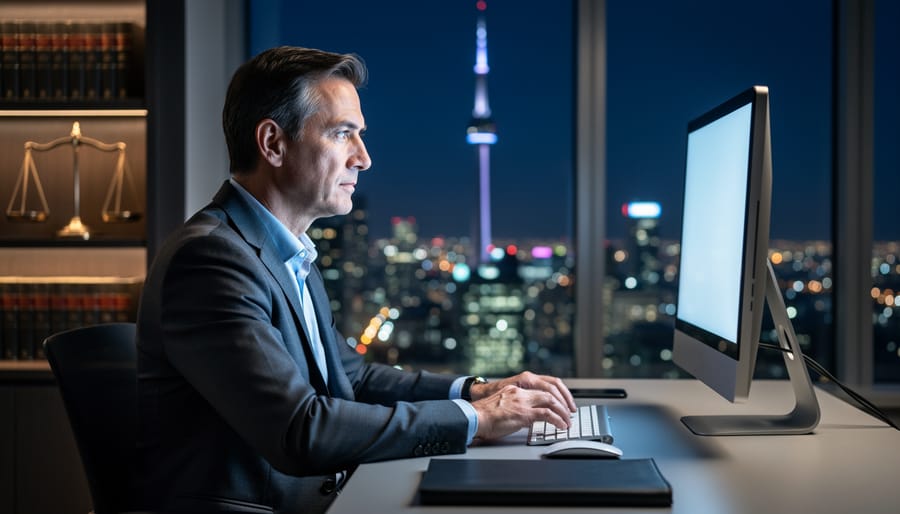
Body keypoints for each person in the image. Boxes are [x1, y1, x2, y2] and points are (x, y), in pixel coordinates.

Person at [134, 46, 576, 514]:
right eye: (343, 134)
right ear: (273, 143)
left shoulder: (285, 251)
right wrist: (478, 420)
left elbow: (352, 378)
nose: (363, 158)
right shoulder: (211, 259)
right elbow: (300, 431)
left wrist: (473, 391)